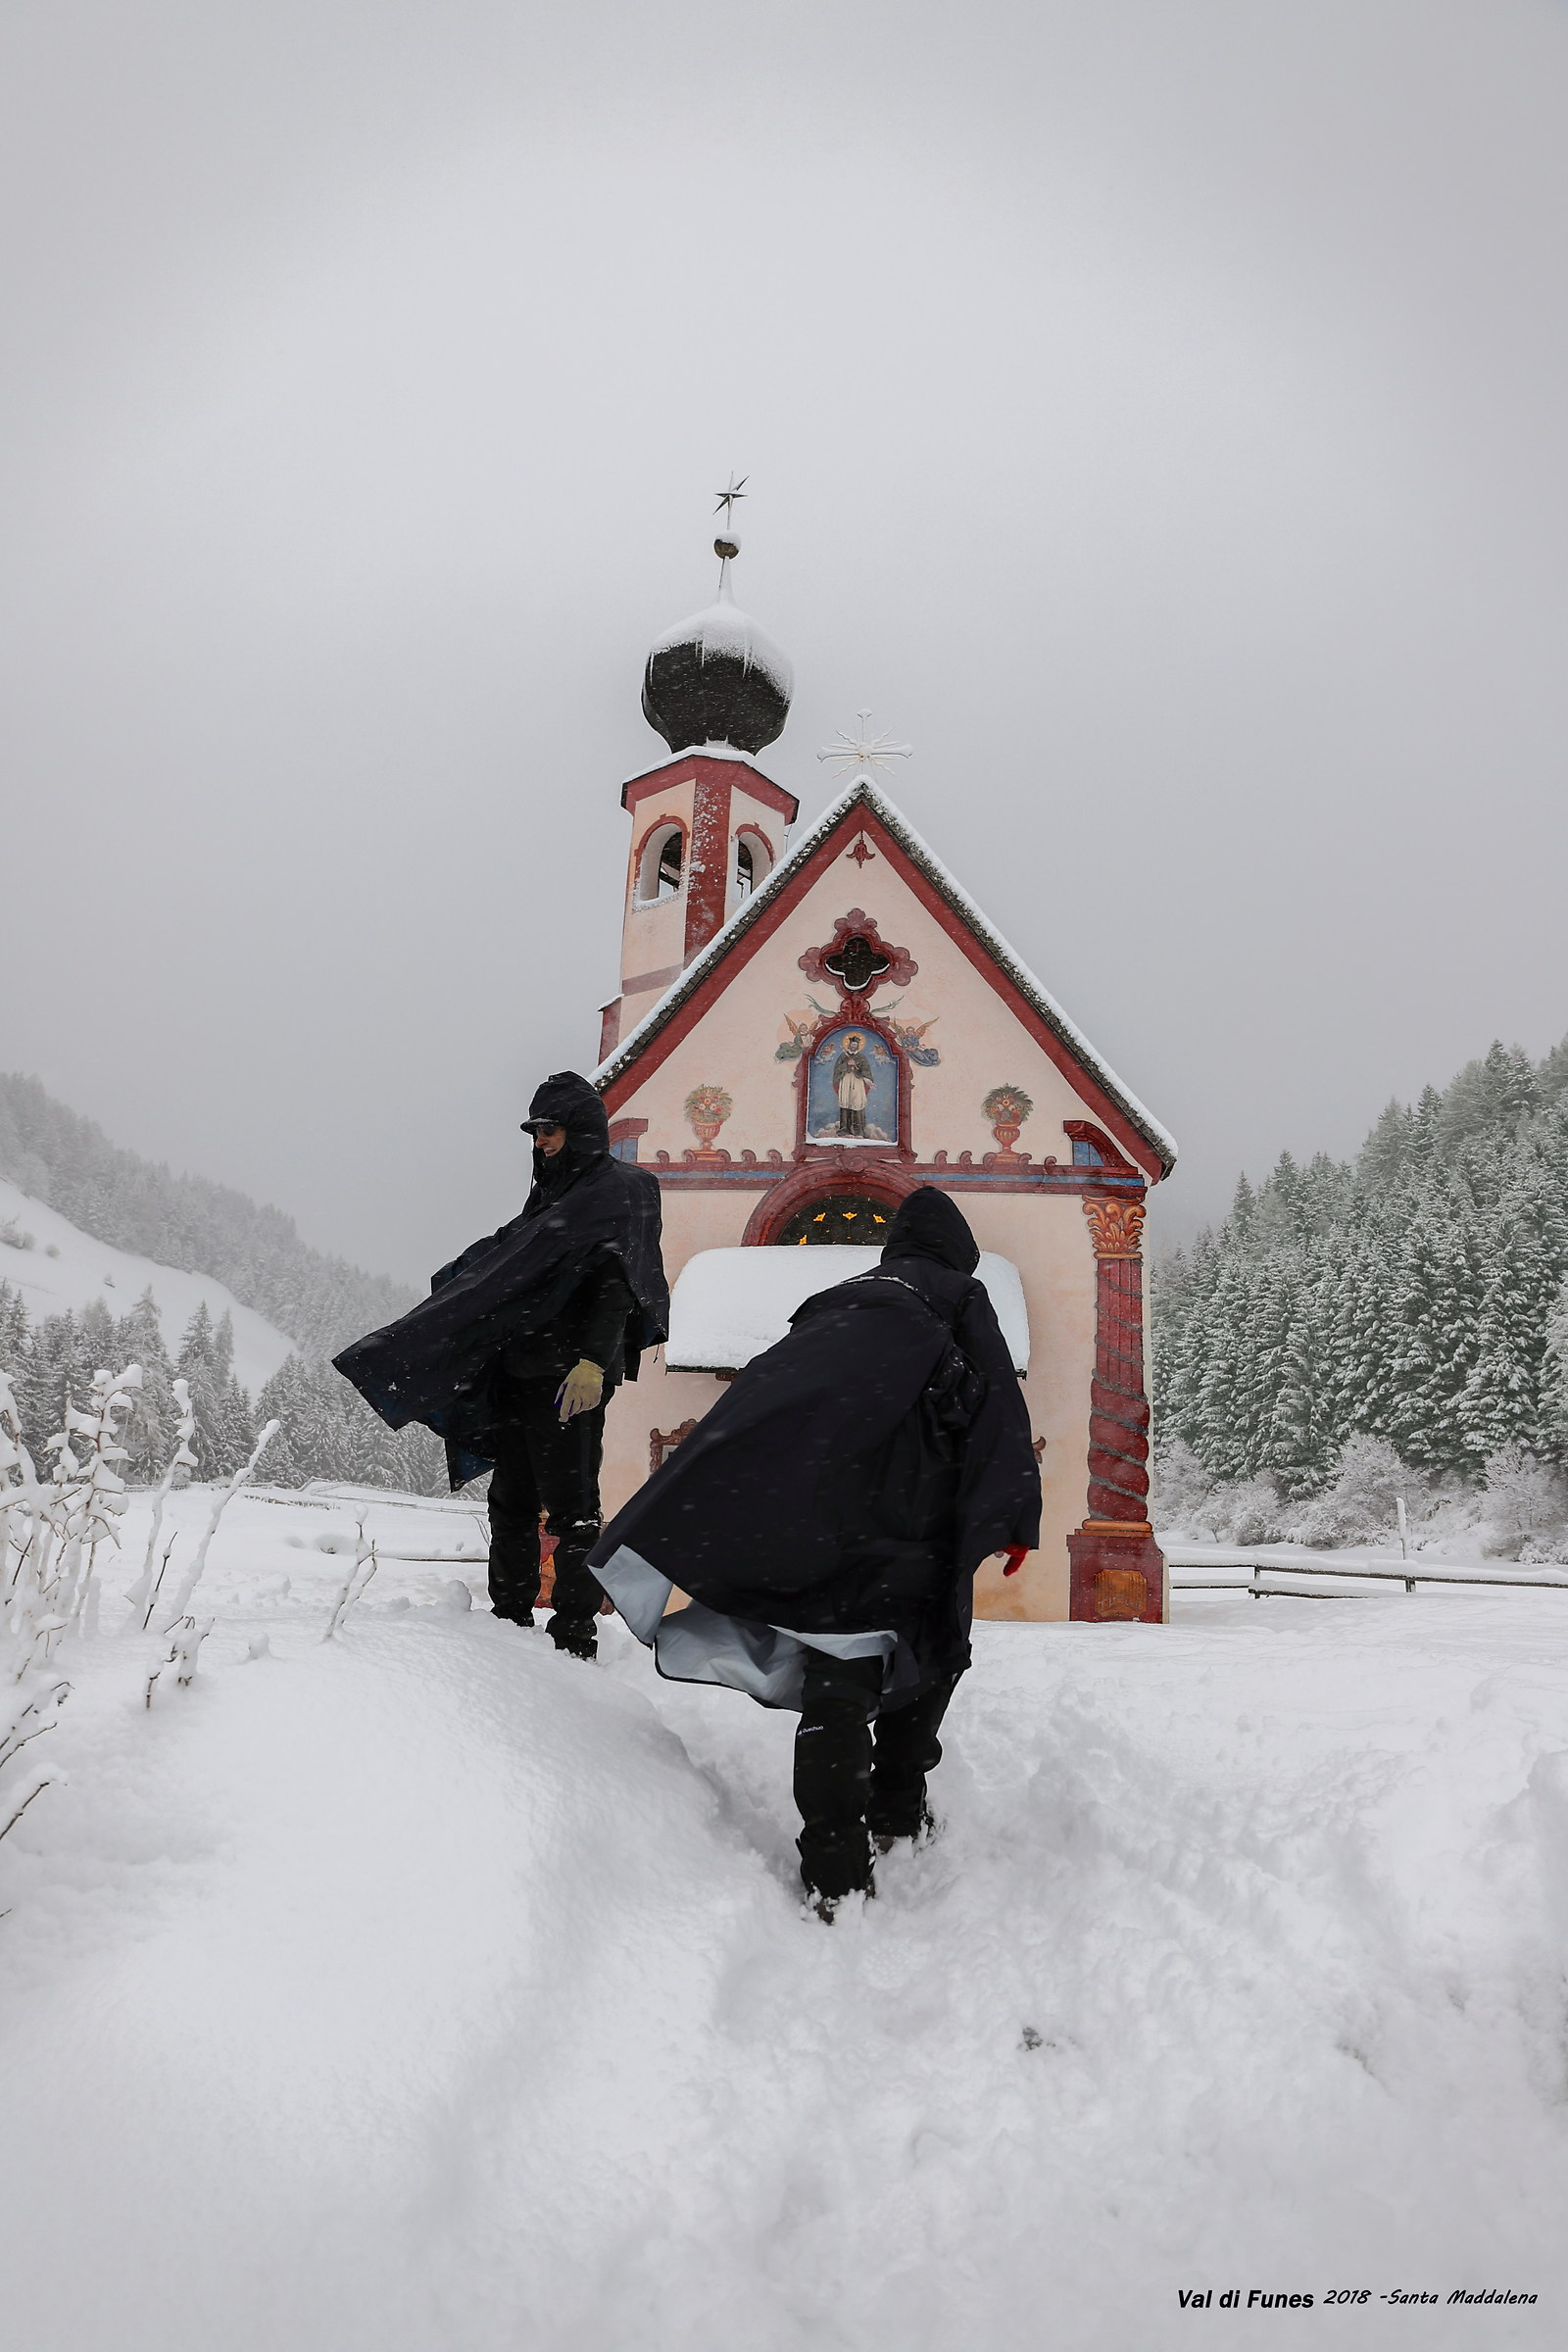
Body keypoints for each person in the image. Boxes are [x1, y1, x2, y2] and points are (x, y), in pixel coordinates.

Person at [590, 1187, 1040, 1913]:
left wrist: (696, 1503)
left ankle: (834, 1868)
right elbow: (997, 1408)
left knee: (841, 1673)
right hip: (912, 1513)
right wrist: (1014, 1514)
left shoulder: (836, 1300)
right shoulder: (958, 1295)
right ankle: (896, 1807)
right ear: (955, 1251)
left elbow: (760, 1400)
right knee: (927, 1651)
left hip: (822, 1512)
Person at [334, 1072, 668, 1661]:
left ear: (582, 1133)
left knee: (574, 1510)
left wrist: (594, 1361)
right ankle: (508, 1620)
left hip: (572, 1378)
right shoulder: (551, 1199)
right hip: (519, 1370)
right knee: (511, 1500)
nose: (539, 1142)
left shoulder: (623, 1191)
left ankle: (574, 1636)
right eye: (535, 1132)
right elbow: (514, 1263)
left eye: (549, 1130)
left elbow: (619, 1284)